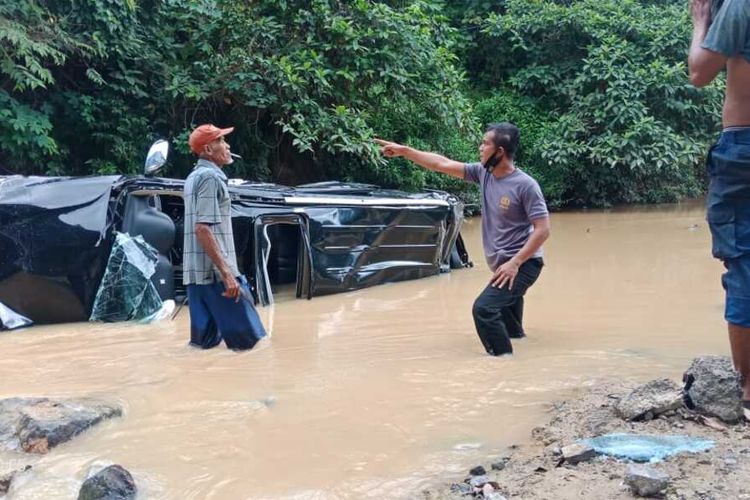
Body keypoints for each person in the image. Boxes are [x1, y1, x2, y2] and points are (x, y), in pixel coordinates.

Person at [375, 122, 551, 356]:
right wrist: (405, 151)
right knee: (511, 330)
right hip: (503, 266)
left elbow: (543, 230)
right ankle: (525, 360)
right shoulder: (483, 173)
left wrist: (515, 263)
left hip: (522, 265)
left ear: (499, 152)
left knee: (484, 310)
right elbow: (441, 163)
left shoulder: (525, 185)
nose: (480, 147)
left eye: (485, 143)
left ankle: (505, 365)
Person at [688, 0, 750, 417]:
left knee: (744, 264)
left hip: (744, 146)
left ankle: (747, 386)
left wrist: (700, 23)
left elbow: (699, 73)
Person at [183, 124, 267, 351]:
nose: (227, 145)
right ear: (208, 149)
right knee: (255, 346)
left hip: (196, 278)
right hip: (218, 278)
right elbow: (203, 228)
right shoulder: (211, 178)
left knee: (203, 348)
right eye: (221, 140)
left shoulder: (192, 178)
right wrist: (228, 274)